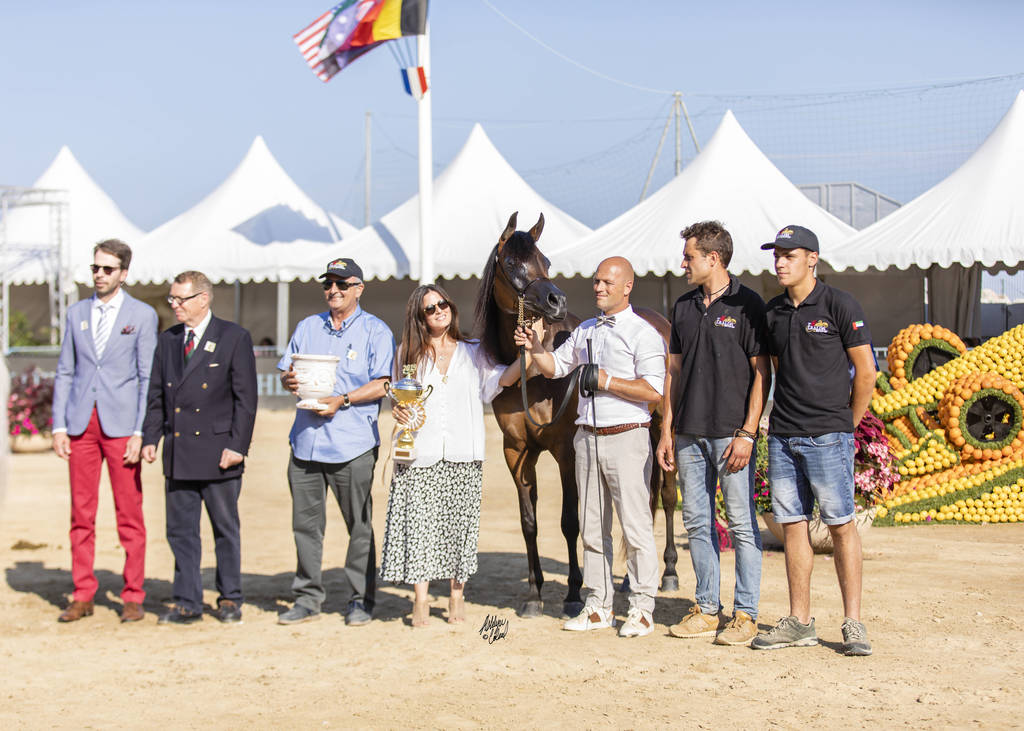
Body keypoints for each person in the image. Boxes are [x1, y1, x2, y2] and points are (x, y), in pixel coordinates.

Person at [515, 256, 665, 637]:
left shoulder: (642, 334)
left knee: (635, 526)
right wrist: (534, 347)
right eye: (596, 281)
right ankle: (598, 605)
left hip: (627, 435)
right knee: (592, 527)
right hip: (587, 437)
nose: (598, 288)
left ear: (627, 287)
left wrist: (607, 380)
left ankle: (643, 608)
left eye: (606, 283)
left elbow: (653, 390)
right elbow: (554, 367)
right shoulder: (583, 331)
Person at [751, 225, 876, 656]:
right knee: (793, 527)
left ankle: (853, 623)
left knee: (841, 526)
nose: (780, 262)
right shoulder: (772, 313)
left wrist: (846, 424)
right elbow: (774, 371)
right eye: (776, 255)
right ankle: (799, 622)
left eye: (789, 255)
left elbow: (867, 372)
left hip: (829, 437)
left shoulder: (840, 304)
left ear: (812, 260)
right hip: (784, 436)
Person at [656, 221, 770, 646]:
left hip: (731, 435)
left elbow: (763, 373)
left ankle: (746, 615)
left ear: (713, 258)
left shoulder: (749, 305)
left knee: (741, 525)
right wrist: (667, 431)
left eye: (689, 257)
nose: (682, 263)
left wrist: (748, 432)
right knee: (697, 524)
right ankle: (706, 609)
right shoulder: (683, 306)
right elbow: (674, 372)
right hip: (688, 434)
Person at [380, 284, 522, 626]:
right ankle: (422, 599)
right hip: (419, 454)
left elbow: (498, 382)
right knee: (420, 529)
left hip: (463, 452)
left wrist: (525, 356)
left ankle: (457, 595)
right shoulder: (407, 354)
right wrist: (399, 410)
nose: (439, 310)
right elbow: (400, 397)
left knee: (460, 528)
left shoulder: (473, 351)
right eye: (430, 308)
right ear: (420, 316)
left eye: (442, 303)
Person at [276, 258, 395, 627]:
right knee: (305, 526)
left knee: (358, 526)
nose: (334, 290)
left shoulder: (376, 331)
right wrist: (288, 381)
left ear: (359, 289)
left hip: (352, 444)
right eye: (328, 284)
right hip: (306, 441)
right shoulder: (308, 326)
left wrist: (342, 400)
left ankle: (360, 599)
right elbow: (286, 371)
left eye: (343, 284)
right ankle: (308, 598)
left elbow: (384, 383)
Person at [142, 271, 258, 625]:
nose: (174, 305)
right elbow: (157, 396)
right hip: (179, 454)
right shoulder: (168, 340)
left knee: (224, 529)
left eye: (180, 299)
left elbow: (246, 399)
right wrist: (150, 438)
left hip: (219, 452)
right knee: (180, 532)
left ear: (203, 298)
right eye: (172, 300)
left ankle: (230, 598)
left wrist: (238, 446)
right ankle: (187, 601)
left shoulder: (233, 337)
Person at [51, 239, 158, 623]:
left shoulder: (142, 315)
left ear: (123, 273)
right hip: (81, 424)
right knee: (81, 512)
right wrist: (59, 425)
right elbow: (65, 369)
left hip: (121, 426)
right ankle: (82, 593)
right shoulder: (75, 312)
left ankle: (133, 594)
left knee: (129, 513)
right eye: (95, 267)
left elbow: (147, 376)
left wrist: (139, 431)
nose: (98, 274)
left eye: (107, 269)